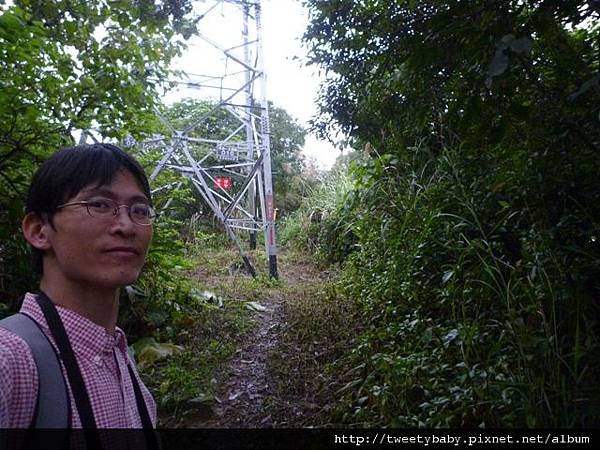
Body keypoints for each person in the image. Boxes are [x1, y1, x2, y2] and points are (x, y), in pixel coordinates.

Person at [0, 143, 157, 439]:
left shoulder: (121, 358)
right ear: (38, 231)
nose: (126, 226)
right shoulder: (10, 360)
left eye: (139, 210)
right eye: (99, 205)